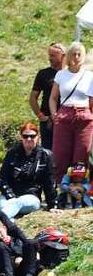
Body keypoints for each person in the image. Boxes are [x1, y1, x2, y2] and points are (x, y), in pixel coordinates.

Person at [50, 42, 93, 184]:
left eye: (79, 54)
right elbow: (53, 98)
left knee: (81, 155)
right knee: (60, 155)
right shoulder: (61, 74)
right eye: (73, 53)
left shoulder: (89, 76)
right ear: (68, 56)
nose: (76, 57)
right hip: (64, 115)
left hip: (84, 117)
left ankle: (78, 190)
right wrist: (54, 114)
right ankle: (59, 188)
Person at [0, 123, 55, 219]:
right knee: (7, 209)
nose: (28, 139)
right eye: (25, 136)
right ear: (21, 137)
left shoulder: (45, 155)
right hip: (9, 194)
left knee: (14, 204)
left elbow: (49, 181)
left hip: (31, 197)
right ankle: (5, 231)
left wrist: (52, 205)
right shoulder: (12, 153)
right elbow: (1, 178)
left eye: (32, 136)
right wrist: (10, 195)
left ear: (38, 137)